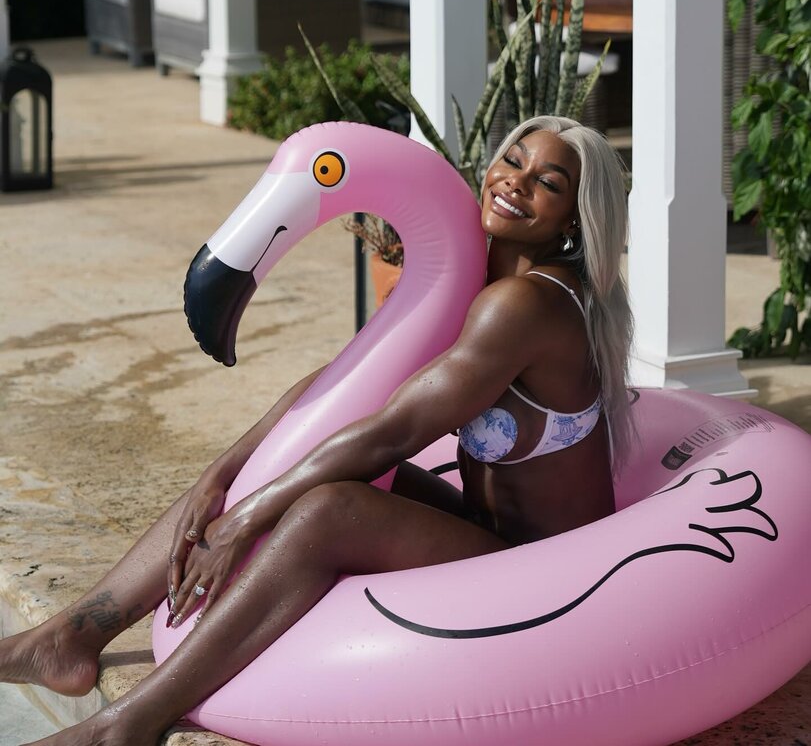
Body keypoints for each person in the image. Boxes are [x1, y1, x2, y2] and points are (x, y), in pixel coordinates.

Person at [1, 115, 634, 746]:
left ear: (573, 220)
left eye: (547, 182)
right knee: (302, 458)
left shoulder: (525, 304)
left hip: (548, 573)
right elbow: (337, 386)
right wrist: (221, 475)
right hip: (486, 530)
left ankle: (123, 727)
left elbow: (393, 433)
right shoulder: (482, 279)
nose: (516, 182)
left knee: (329, 509)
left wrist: (246, 516)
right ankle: (71, 636)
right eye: (513, 160)